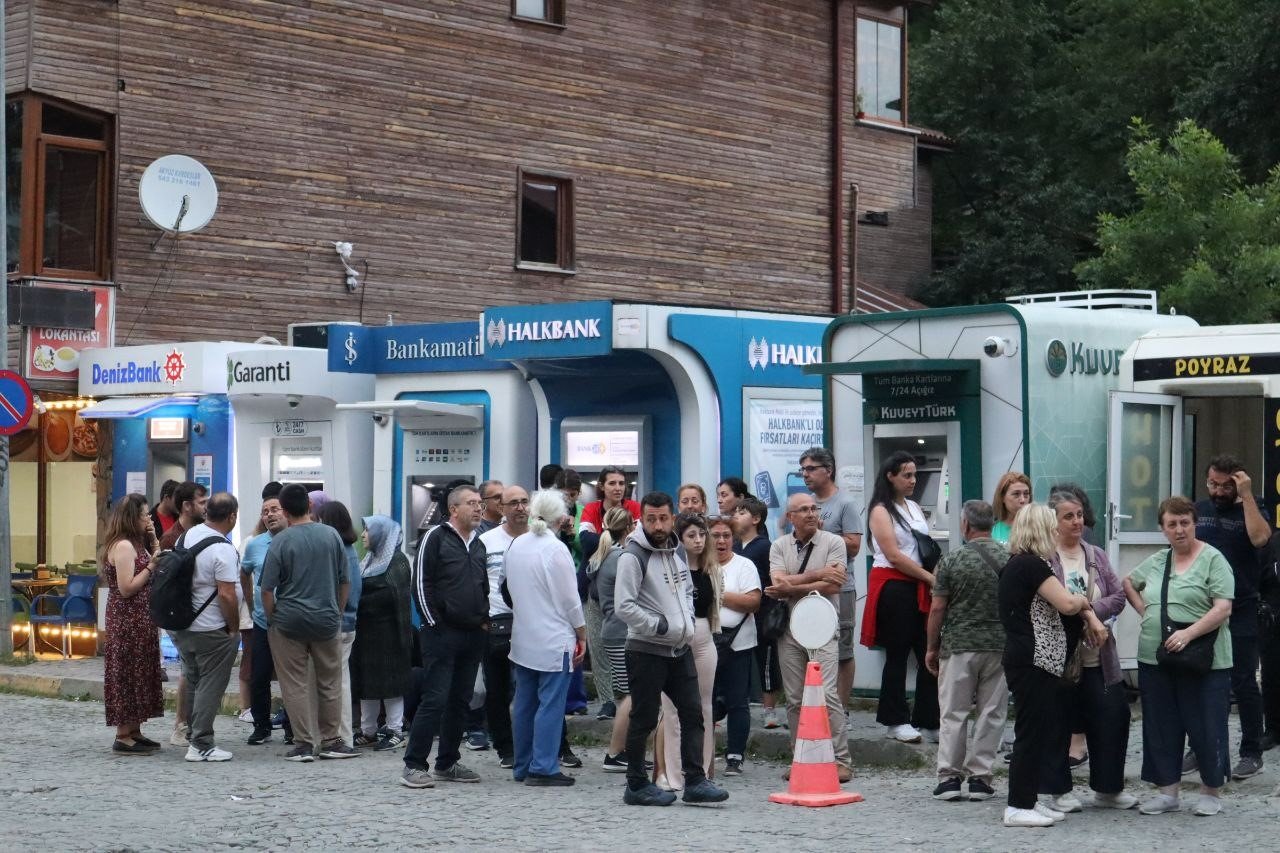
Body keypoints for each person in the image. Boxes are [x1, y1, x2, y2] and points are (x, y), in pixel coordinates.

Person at [1123, 496, 1235, 817]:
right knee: (1161, 725)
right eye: (1171, 524)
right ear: (1163, 529)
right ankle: (1167, 792)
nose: (1179, 529)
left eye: (1184, 522)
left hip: (1205, 658)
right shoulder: (1159, 560)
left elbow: (1223, 607)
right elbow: (1128, 582)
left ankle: (1210, 792)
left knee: (1206, 723)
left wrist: (1188, 633)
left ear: (1194, 523)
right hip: (1155, 657)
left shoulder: (1213, 559)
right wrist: (1146, 612)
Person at [615, 492, 728, 806]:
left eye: (663, 518)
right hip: (646, 649)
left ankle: (695, 781)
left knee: (694, 715)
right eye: (651, 519)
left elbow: (687, 591)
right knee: (644, 718)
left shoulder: (676, 550)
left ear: (671, 516)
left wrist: (686, 625)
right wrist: (660, 625)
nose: (658, 525)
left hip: (680, 649)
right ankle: (636, 785)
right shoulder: (633, 556)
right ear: (643, 519)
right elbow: (624, 606)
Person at [998, 504, 1100, 828]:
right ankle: (1017, 806)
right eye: (1052, 526)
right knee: (1030, 734)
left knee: (1038, 732)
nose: (1057, 531)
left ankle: (1029, 799)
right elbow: (1068, 602)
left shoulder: (1023, 564)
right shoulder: (1030, 564)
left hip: (1033, 659)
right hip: (1031, 660)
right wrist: (1085, 602)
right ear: (1041, 530)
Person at [1043, 489, 1136, 811]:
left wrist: (1087, 610)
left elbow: (1118, 596)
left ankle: (1108, 789)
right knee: (1058, 720)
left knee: (1114, 715)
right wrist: (1078, 613)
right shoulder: (1045, 557)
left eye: (1079, 514)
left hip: (1099, 656)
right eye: (1068, 516)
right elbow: (1045, 602)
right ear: (1053, 521)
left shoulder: (1095, 554)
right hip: (1061, 658)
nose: (1077, 521)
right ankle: (1059, 792)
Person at [261, 483, 356, 762]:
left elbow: (266, 588)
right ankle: (332, 740)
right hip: (326, 619)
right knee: (330, 680)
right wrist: (336, 611)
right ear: (310, 506)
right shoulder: (331, 536)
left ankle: (303, 742)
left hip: (289, 620)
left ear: (285, 511)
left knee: (295, 683)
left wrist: (272, 618)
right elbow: (345, 580)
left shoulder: (280, 541)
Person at [402, 485, 489, 788]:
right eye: (471, 503)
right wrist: (433, 623)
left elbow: (483, 586)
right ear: (454, 509)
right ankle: (413, 764)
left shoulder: (478, 545)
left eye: (480, 503)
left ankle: (448, 762)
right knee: (435, 698)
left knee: (461, 700)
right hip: (441, 633)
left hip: (472, 634)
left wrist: (483, 622)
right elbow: (421, 584)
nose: (479, 508)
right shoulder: (434, 538)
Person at [924, 500, 1009, 802]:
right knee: (992, 713)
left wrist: (932, 647)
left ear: (965, 525)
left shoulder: (952, 560)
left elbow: (937, 608)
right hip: (999, 646)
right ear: (991, 524)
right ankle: (981, 779)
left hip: (958, 645)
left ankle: (949, 778)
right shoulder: (1009, 557)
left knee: (954, 713)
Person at [1192, 456, 1270, 780]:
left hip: (1241, 608)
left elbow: (1261, 538)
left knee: (1242, 681)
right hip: (1202, 608)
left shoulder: (1252, 508)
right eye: (1214, 483)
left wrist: (1247, 495)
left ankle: (1251, 752)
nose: (1219, 491)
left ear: (1237, 482)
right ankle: (1200, 749)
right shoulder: (1199, 510)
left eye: (1226, 485)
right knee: (1201, 680)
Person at [505, 489, 587, 786]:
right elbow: (570, 600)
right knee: (550, 704)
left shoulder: (517, 544)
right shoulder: (555, 550)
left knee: (525, 703)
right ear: (561, 516)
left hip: (523, 635)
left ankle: (523, 764)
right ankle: (544, 766)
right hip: (553, 638)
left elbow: (507, 586)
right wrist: (582, 632)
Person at [768, 492, 853, 781]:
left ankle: (841, 760)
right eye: (803, 509)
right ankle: (800, 758)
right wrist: (817, 575)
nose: (810, 513)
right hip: (790, 629)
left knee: (827, 694)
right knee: (793, 697)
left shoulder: (835, 542)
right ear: (790, 517)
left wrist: (790, 585)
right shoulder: (779, 546)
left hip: (824, 625)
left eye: (814, 508)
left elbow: (833, 586)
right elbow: (777, 582)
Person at [861, 451, 939, 744]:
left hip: (918, 582)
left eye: (915, 474)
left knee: (929, 651)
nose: (912, 480)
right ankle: (895, 719)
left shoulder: (915, 507)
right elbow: (893, 555)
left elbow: (924, 546)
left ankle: (929, 719)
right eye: (906, 474)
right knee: (897, 653)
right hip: (895, 587)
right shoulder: (880, 510)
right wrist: (929, 577)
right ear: (890, 476)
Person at [170, 491, 243, 762]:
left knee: (192, 678)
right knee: (211, 684)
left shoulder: (186, 536)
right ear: (232, 516)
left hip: (182, 625)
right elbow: (226, 594)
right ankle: (201, 743)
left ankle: (191, 734)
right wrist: (233, 628)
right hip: (211, 628)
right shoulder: (222, 549)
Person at [655, 513, 722, 791]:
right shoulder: (669, 569)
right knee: (671, 709)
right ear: (680, 540)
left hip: (704, 636)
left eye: (701, 534)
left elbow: (713, 608)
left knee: (705, 708)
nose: (698, 540)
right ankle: (672, 775)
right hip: (676, 638)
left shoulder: (711, 570)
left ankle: (702, 772)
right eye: (691, 535)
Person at [799, 446, 862, 711]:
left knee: (842, 650)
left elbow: (855, 546)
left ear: (829, 470)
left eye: (811, 468)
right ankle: (815, 707)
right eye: (802, 469)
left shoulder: (844, 503)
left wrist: (824, 533)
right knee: (811, 646)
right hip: (809, 586)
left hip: (839, 587)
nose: (805, 474)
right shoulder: (803, 502)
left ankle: (842, 709)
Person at [102, 493, 164, 754]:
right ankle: (123, 734)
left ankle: (135, 729)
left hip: (140, 619)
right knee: (127, 672)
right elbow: (126, 588)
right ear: (132, 518)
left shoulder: (138, 543)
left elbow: (156, 557)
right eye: (144, 515)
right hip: (126, 620)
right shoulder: (124, 546)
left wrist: (152, 539)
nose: (148, 519)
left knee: (140, 671)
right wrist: (150, 566)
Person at [478, 485, 531, 767]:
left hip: (534, 622)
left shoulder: (541, 537)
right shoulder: (486, 541)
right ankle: (505, 747)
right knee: (497, 689)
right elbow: (477, 581)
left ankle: (554, 745)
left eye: (524, 502)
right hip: (496, 621)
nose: (520, 508)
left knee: (535, 687)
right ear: (502, 507)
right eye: (514, 503)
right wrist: (481, 618)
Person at [352, 515, 413, 751]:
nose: (363, 535)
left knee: (391, 683)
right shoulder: (368, 560)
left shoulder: (397, 561)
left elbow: (393, 597)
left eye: (367, 530)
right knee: (367, 682)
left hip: (390, 634)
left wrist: (362, 601)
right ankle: (368, 731)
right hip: (366, 634)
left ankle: (395, 729)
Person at [710, 514, 761, 776]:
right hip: (705, 643)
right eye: (716, 535)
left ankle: (735, 756)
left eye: (726, 536)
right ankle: (703, 752)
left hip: (738, 643)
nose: (721, 541)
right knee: (706, 699)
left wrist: (717, 594)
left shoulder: (745, 566)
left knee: (737, 700)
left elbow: (752, 602)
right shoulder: (699, 566)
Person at [591, 506, 639, 771]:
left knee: (625, 695)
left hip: (612, 630)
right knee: (630, 695)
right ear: (631, 527)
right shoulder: (621, 557)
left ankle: (623, 750)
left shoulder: (603, 555)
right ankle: (615, 752)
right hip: (622, 632)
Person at [242, 487, 290, 745]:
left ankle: (294, 726)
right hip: (263, 621)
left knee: (291, 676)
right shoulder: (256, 544)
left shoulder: (295, 538)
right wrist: (251, 605)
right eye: (265, 512)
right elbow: (244, 573)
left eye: (274, 510)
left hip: (291, 620)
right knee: (259, 675)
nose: (269, 515)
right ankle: (261, 725)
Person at [315, 501, 363, 748]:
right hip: (348, 622)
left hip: (338, 624)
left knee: (336, 683)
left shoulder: (336, 552)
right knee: (340, 680)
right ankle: (340, 734)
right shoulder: (350, 550)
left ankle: (341, 735)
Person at [733, 495, 782, 730]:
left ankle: (769, 709)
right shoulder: (731, 546)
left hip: (762, 614)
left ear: (755, 518)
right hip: (735, 614)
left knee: (766, 661)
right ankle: (731, 706)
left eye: (741, 513)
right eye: (735, 513)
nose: (735, 516)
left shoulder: (764, 547)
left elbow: (773, 580)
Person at [990, 473, 1031, 544]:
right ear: (1002, 497)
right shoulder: (992, 527)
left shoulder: (1038, 526)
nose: (1023, 500)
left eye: (1026, 494)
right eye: (1016, 494)